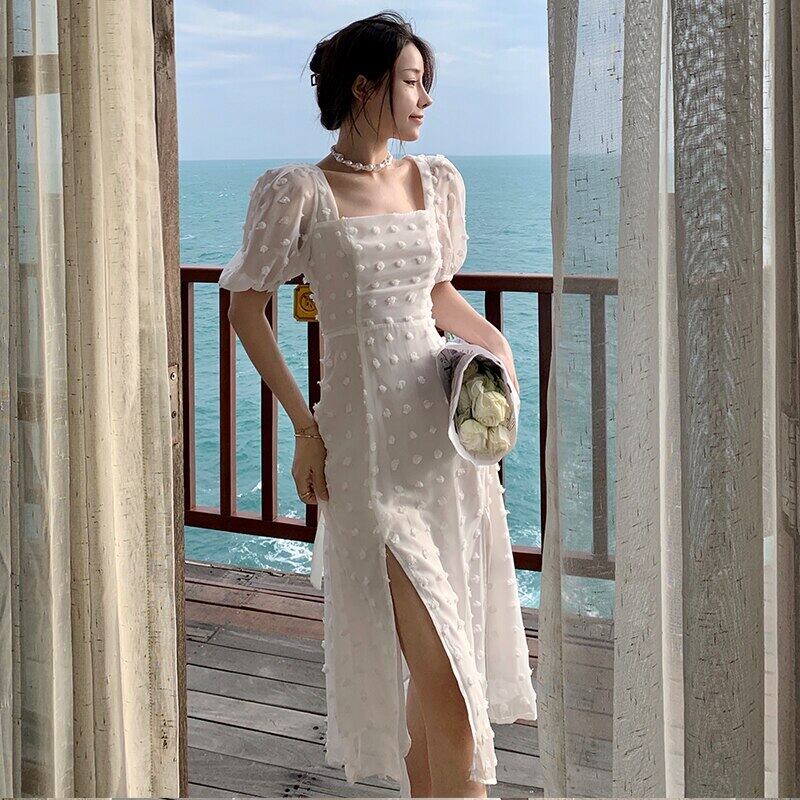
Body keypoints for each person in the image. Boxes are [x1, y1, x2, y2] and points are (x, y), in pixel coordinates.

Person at [218, 11, 537, 798]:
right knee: (454, 695)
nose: (425, 98)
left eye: (426, 83)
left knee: (435, 686)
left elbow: (437, 295)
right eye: (411, 82)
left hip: (443, 448)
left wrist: (495, 348)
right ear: (364, 88)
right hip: (366, 456)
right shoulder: (300, 192)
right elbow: (246, 310)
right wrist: (305, 430)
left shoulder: (434, 180)